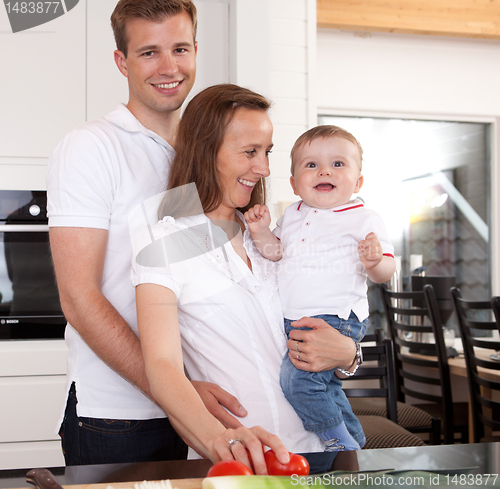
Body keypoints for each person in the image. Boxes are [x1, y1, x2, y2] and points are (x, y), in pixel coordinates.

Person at [47, 0, 245, 466]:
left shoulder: (202, 157)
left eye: (179, 48)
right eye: (149, 52)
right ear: (122, 61)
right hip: (119, 416)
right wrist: (176, 390)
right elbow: (78, 298)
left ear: (196, 50)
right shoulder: (92, 148)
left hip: (206, 406)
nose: (169, 67)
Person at [131, 85, 363, 475]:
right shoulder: (162, 240)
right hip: (241, 462)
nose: (265, 169)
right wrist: (219, 440)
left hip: (327, 452)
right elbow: (162, 365)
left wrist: (349, 356)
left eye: (268, 152)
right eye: (250, 152)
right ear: (207, 150)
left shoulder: (276, 233)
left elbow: (333, 334)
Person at [244, 125, 396, 452]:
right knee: (324, 386)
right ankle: (354, 441)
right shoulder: (293, 214)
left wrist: (374, 261)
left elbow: (385, 273)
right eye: (311, 165)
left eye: (338, 164)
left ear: (357, 182)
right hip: (295, 319)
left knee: (297, 383)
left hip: (336, 318)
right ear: (295, 183)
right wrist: (259, 230)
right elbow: (275, 252)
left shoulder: (363, 218)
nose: (325, 170)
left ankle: (337, 442)